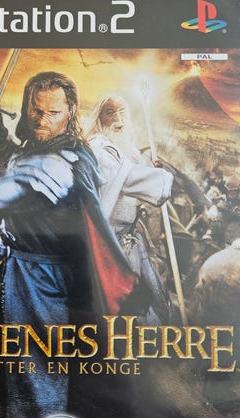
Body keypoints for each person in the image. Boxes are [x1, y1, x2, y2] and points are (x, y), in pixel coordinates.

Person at [0, 72, 143, 418]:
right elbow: (19, 162)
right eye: (35, 110)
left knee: (37, 372)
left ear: (71, 112)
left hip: (41, 279)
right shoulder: (50, 150)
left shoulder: (61, 162)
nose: (41, 120)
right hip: (20, 268)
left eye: (53, 113)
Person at [85, 94, 174, 324]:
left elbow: (133, 167)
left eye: (122, 111)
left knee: (153, 298)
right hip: (108, 242)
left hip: (130, 238)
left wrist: (151, 168)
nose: (118, 119)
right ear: (99, 118)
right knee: (123, 308)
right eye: (110, 112)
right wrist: (162, 179)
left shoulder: (125, 148)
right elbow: (125, 177)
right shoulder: (99, 148)